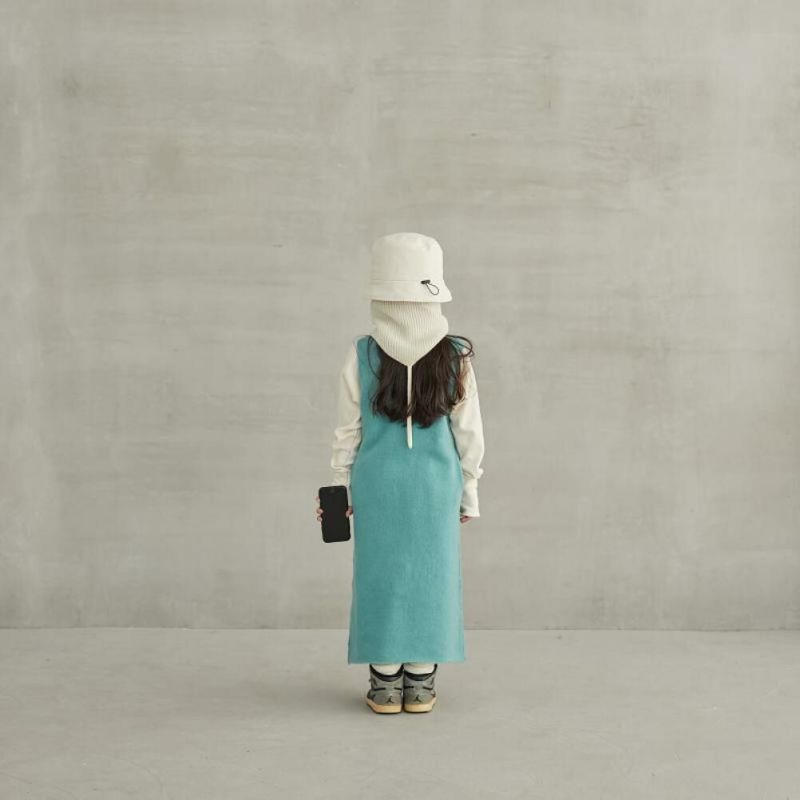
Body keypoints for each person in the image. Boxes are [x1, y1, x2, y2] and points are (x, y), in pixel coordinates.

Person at [316, 232, 485, 714]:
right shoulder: (455, 355)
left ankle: (385, 681)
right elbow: (469, 433)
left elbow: (346, 430)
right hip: (436, 486)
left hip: (376, 485)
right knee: (434, 575)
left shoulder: (362, 353)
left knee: (379, 574)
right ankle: (422, 680)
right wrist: (469, 491)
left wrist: (339, 484)